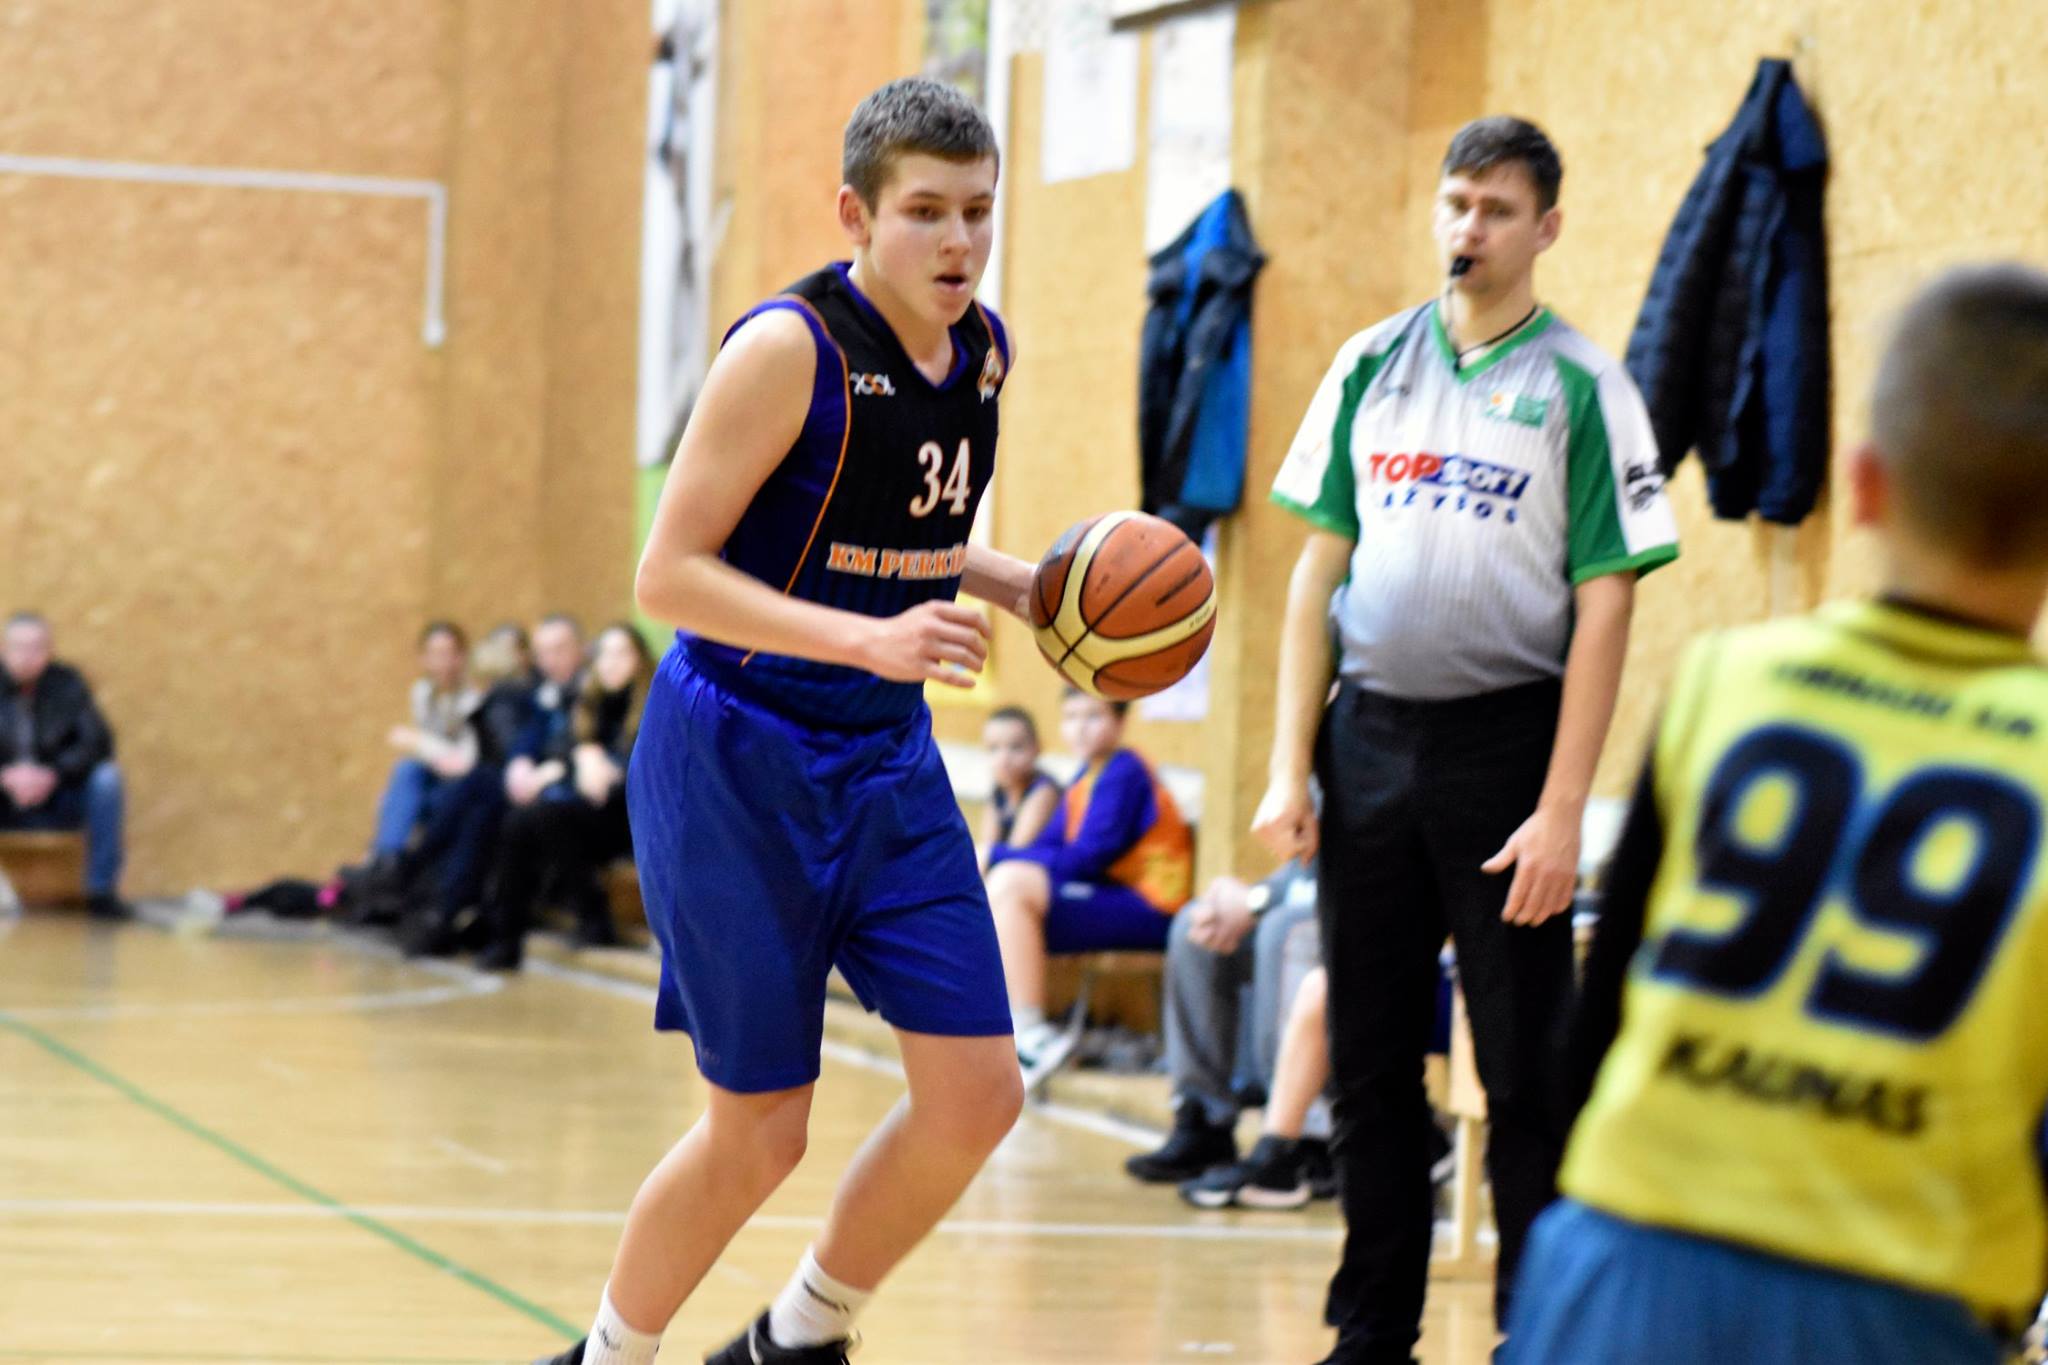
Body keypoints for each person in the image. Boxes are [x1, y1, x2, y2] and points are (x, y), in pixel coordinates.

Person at [533, 78, 1036, 1365]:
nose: (958, 242)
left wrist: (1022, 584)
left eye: (977, 211)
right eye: (924, 212)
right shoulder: (784, 351)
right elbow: (666, 578)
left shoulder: (983, 351)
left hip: (884, 762)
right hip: (735, 755)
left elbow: (891, 533)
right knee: (760, 1129)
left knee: (978, 1094)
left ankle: (798, 1338)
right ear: (854, 216)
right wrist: (870, 639)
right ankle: (607, 1358)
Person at [1505, 267, 2048, 1363]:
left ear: (1863, 486)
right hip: (1902, 1292)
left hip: (1626, 1258)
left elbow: (1599, 1018)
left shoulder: (1725, 680)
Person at [1255, 115, 1680, 1362]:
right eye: (1454, 203)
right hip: (1366, 741)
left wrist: (1561, 808)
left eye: (1495, 209)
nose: (1468, 228)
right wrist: (1286, 767)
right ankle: (1370, 1327)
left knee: (1525, 1067)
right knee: (1369, 1062)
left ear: (1545, 228)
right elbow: (1314, 573)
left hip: (1507, 748)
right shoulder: (1368, 363)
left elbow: (1607, 602)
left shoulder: (1586, 387)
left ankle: (1534, 1333)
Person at [985, 688, 1194, 1076]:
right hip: (1112, 897)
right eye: (1070, 717)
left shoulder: (1125, 771)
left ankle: (1031, 1033)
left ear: (1121, 722)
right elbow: (1049, 847)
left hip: (1152, 908)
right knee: (999, 885)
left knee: (1012, 885)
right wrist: (993, 857)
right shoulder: (1085, 777)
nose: (1080, 728)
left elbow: (1085, 860)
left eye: (1093, 717)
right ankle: (1002, 1025)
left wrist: (996, 855)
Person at [1124, 858, 1326, 1189]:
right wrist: (1249, 897)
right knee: (1195, 927)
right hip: (1308, 897)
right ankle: (1204, 1120)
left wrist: (1257, 901)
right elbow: (1304, 869)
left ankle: (1297, 1137)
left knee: (1282, 930)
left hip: (1368, 917)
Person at [476, 623, 651, 968]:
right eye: (605, 654)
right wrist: (582, 758)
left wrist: (604, 764)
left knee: (547, 816)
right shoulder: (589, 701)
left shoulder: (653, 704)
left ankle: (593, 916)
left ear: (640, 660)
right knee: (522, 820)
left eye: (622, 653)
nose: (612, 662)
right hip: (591, 813)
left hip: (635, 818)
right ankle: (505, 936)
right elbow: (561, 750)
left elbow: (638, 772)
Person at [0, 611, 127, 918]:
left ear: (49, 650)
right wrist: (6, 776)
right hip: (3, 799)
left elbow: (99, 742)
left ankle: (101, 894)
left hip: (58, 796)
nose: (27, 657)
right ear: (4, 649)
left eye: (36, 648)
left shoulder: (68, 683)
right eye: (19, 647)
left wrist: (52, 774)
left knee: (107, 779)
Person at [362, 622, 478, 909]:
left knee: (409, 780)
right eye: (434, 654)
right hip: (436, 777)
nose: (441, 662)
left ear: (461, 657)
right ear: (424, 659)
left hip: (467, 786)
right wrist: (425, 748)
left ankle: (390, 866)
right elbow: (432, 755)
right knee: (405, 773)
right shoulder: (423, 692)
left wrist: (420, 742)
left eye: (447, 653)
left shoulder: (473, 697)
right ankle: (387, 860)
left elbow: (466, 760)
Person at [976, 704, 1059, 869]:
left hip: (1041, 873)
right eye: (993, 748)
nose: (1004, 758)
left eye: (1016, 747)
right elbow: (986, 845)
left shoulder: (1043, 790)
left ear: (1037, 748)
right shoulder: (999, 793)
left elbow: (1016, 851)